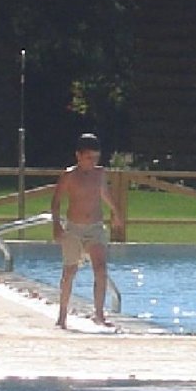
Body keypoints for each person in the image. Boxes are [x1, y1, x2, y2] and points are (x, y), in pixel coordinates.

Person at [52, 132, 123, 328]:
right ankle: (62, 315)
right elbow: (56, 202)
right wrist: (56, 225)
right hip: (74, 228)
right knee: (70, 271)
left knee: (100, 269)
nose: (92, 161)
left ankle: (99, 314)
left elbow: (105, 195)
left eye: (96, 158)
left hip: (95, 227)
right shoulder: (69, 176)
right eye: (88, 157)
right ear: (79, 155)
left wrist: (116, 213)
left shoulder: (99, 174)